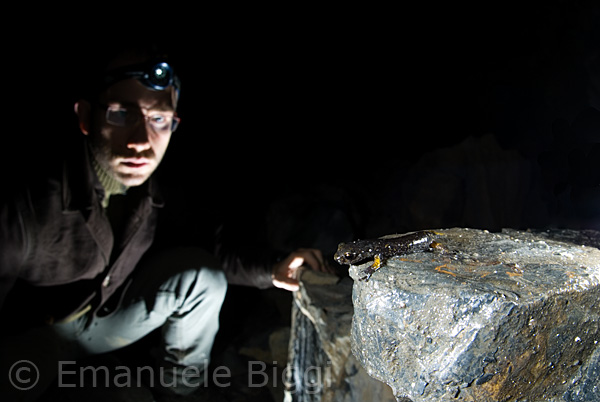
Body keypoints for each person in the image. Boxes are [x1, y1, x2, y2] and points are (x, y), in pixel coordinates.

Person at [0, 45, 327, 401]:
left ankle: (177, 391)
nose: (141, 141)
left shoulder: (157, 191)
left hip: (101, 323)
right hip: (31, 340)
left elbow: (215, 253)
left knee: (202, 278)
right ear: (85, 117)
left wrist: (274, 268)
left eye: (158, 120)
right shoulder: (27, 206)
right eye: (120, 114)